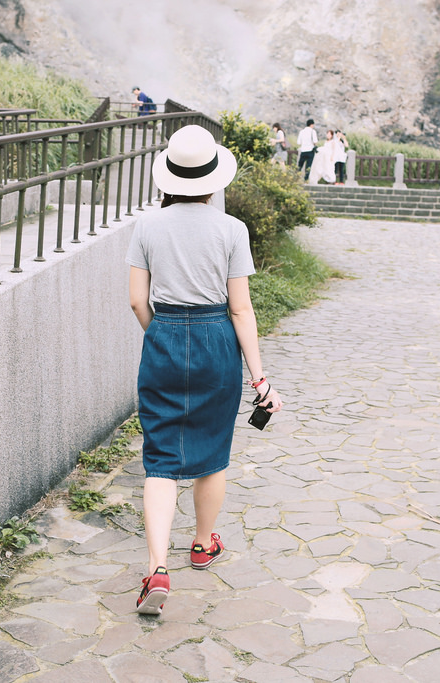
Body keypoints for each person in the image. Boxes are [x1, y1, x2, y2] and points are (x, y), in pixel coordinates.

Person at [125, 124, 284, 616]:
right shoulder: (232, 230)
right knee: (212, 451)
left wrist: (163, 334)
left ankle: (156, 569)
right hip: (218, 340)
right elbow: (242, 310)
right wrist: (260, 379)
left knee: (160, 458)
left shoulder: (148, 227)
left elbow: (136, 300)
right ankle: (201, 544)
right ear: (213, 179)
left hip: (165, 336)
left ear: (168, 177)